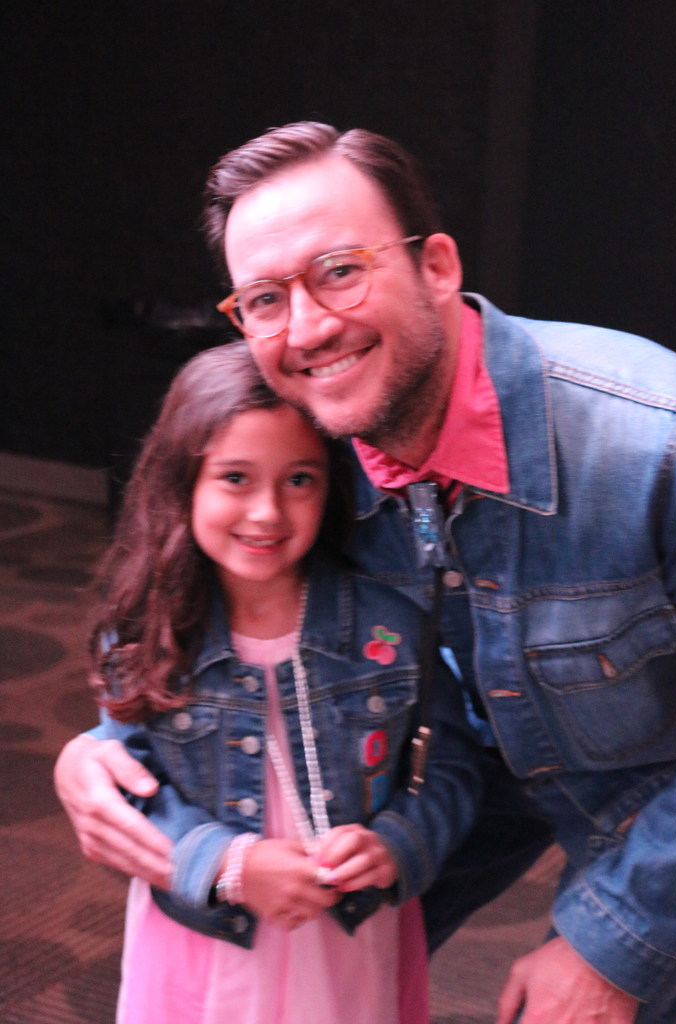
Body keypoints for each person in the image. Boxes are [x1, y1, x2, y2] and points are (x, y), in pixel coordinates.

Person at [55, 122, 676, 1024]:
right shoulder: (306, 465)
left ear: (435, 267)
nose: (306, 328)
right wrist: (101, 749)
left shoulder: (652, 440)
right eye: (264, 298)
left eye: (339, 270)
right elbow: (194, 636)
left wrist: (614, 947)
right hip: (452, 779)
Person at [86, 341, 480, 1024]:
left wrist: (396, 843)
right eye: (235, 478)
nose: (267, 512)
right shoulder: (142, 631)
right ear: (184, 480)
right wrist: (229, 863)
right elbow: (125, 791)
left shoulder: (391, 626)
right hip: (204, 934)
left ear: (331, 487)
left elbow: (451, 767)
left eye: (298, 479)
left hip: (349, 936)